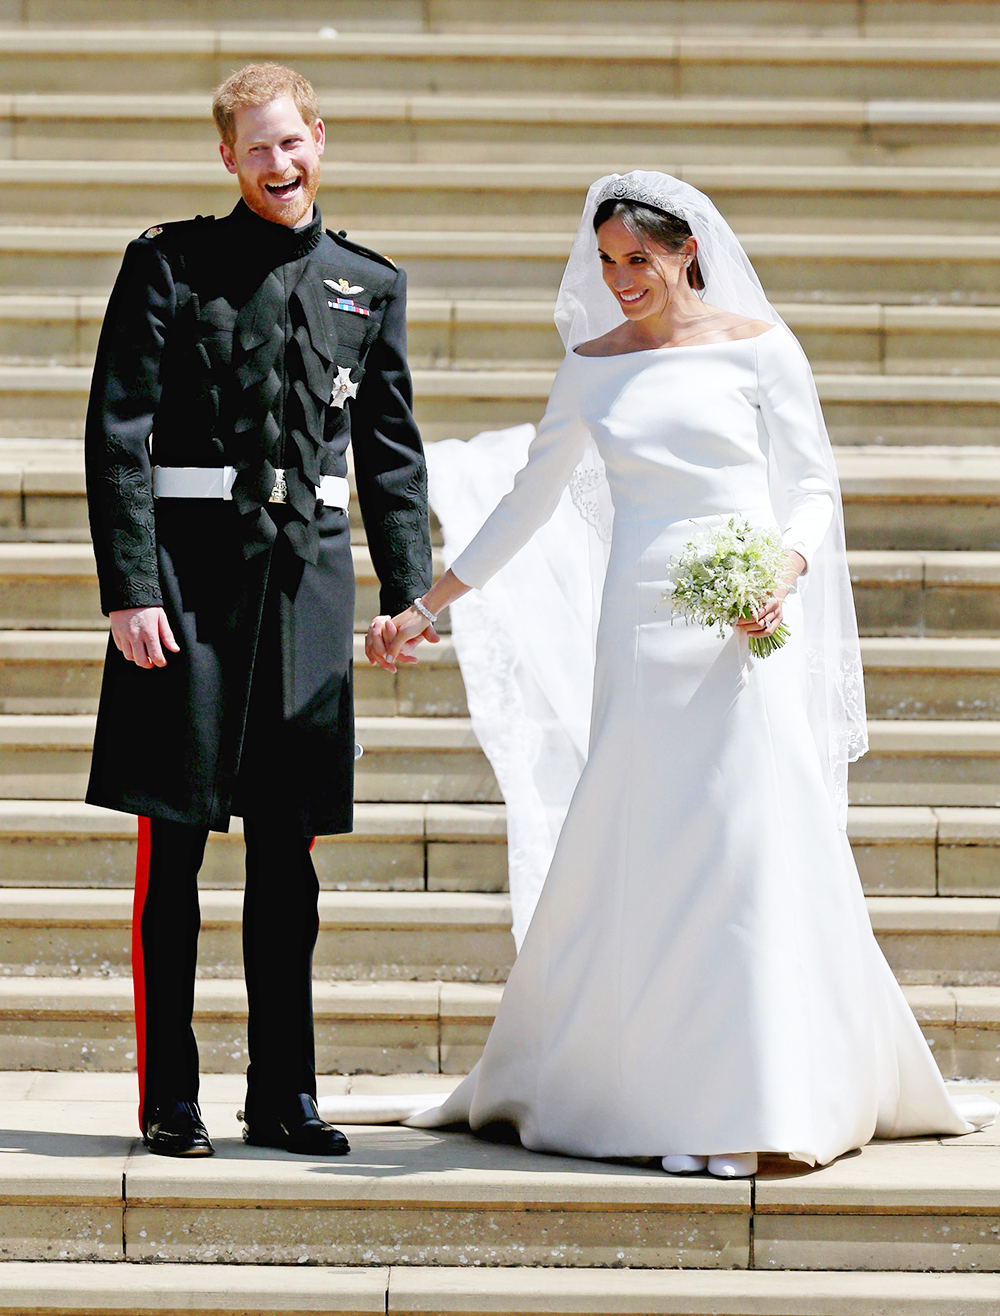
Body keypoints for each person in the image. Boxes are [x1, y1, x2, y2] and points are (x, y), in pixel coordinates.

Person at [344, 171, 996, 1177]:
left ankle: (765, 1097)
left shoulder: (759, 346)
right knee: (649, 838)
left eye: (636, 260)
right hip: (638, 628)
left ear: (685, 250)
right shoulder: (591, 364)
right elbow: (528, 501)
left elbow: (813, 484)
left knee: (749, 838)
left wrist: (781, 570)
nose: (618, 280)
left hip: (743, 622)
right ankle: (646, 1083)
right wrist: (428, 607)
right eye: (605, 262)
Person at [85, 62, 432, 1158]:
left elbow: (389, 456)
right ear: (226, 157)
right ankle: (170, 1097)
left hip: (307, 590)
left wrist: (406, 589)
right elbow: (117, 434)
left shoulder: (368, 285)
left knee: (289, 858)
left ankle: (283, 1093)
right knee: (174, 854)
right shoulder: (169, 263)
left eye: (293, 143)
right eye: (256, 148)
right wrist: (131, 587)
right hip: (186, 588)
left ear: (318, 139)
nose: (278, 165)